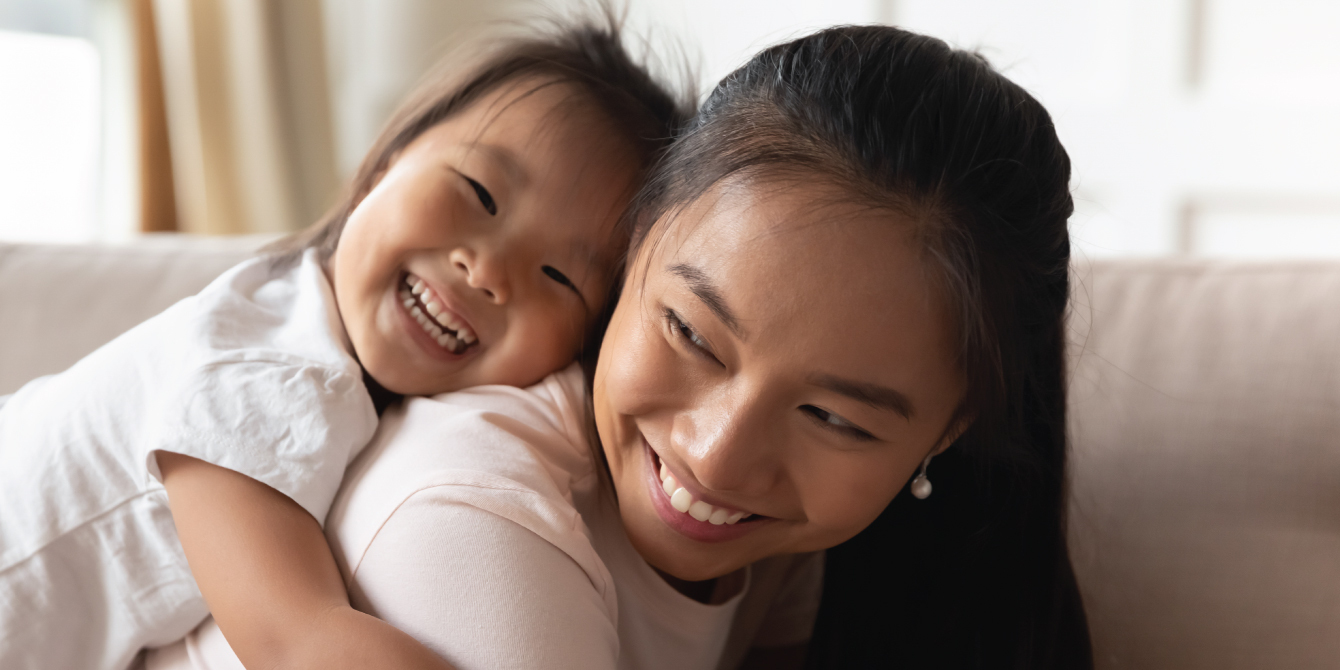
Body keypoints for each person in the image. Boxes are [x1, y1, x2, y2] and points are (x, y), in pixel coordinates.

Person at [150, 23, 1091, 670]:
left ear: (947, 429)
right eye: (690, 333)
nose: (717, 455)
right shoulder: (474, 517)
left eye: (833, 418)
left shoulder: (824, 551)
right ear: (629, 246)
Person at [0, 19, 688, 670]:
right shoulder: (268, 375)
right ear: (384, 163)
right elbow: (297, 638)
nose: (488, 272)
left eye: (559, 275)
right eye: (479, 192)